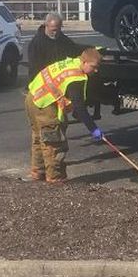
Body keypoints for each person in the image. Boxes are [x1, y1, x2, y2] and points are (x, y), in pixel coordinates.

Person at [25, 48, 104, 183]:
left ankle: (38, 172)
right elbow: (80, 107)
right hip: (45, 104)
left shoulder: (71, 62)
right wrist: (93, 129)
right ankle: (56, 179)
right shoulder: (76, 78)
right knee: (54, 142)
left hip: (32, 97)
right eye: (93, 67)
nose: (96, 71)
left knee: (39, 137)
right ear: (84, 62)